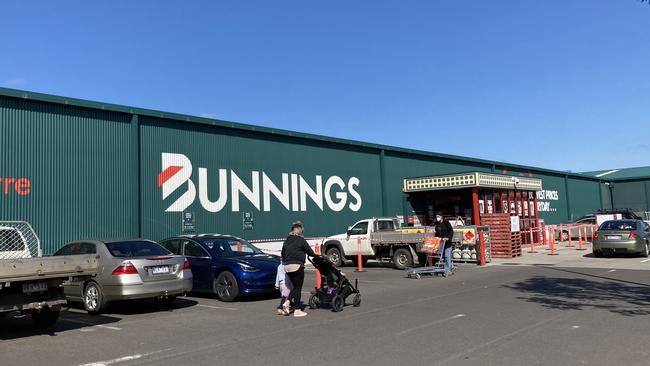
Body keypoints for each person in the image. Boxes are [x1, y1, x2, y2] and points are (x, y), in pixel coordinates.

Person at [280, 221, 316, 317]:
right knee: (298, 288)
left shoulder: (287, 240)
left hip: (287, 267)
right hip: (296, 266)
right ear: (300, 231)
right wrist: (316, 256)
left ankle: (286, 303)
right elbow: (311, 253)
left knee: (295, 287)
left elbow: (283, 255)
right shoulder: (301, 240)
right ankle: (297, 310)